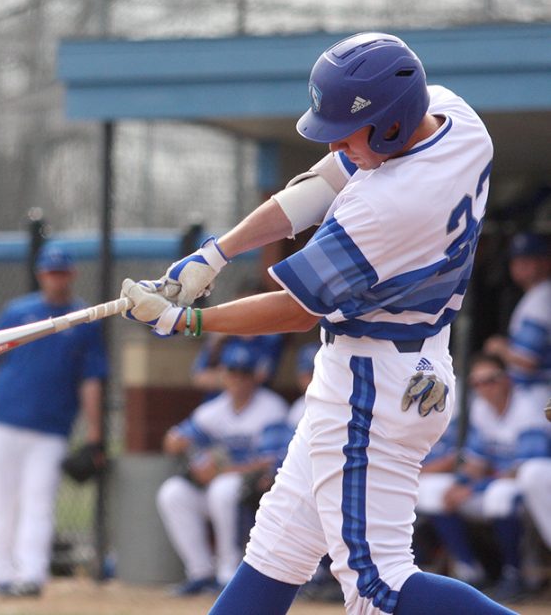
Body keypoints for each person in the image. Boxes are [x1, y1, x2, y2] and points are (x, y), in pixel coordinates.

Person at [119, 32, 518, 614]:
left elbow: (295, 307)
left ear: (389, 126)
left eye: (347, 132)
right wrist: (216, 254)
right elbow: (321, 182)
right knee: (278, 548)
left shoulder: (385, 206)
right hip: (408, 363)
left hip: (371, 381)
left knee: (378, 584)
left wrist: (187, 322)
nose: (336, 143)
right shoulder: (457, 118)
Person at [0, 244, 108, 597]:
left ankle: (32, 574)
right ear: (41, 274)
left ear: (71, 275)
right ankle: (1, 572)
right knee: (1, 499)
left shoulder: (83, 319)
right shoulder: (17, 312)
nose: (55, 278)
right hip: (4, 420)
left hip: (51, 428)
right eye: (49, 272)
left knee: (38, 501)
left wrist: (95, 432)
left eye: (61, 272)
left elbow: (91, 380)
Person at [156, 338, 291, 596]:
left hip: (255, 494)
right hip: (221, 487)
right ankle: (200, 572)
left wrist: (218, 471)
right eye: (233, 372)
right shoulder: (213, 410)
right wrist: (181, 443)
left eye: (245, 373)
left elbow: (270, 461)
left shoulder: (271, 407)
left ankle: (227, 573)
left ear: (257, 376)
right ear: (223, 375)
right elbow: (173, 442)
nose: (238, 380)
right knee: (172, 492)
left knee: (222, 488)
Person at [415, 353, 550, 601]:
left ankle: (515, 574)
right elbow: (477, 460)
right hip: (494, 481)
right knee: (436, 492)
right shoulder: (481, 406)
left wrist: (475, 487)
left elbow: (522, 467)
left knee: (499, 496)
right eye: (477, 382)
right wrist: (461, 484)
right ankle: (471, 571)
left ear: (506, 379)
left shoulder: (527, 405)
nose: (484, 388)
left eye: (490, 380)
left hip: (530, 480)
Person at [484, 232, 551, 391]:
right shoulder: (535, 295)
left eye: (527, 260)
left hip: (537, 391)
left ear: (546, 262)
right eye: (516, 260)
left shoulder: (542, 298)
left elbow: (528, 360)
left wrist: (499, 348)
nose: (520, 266)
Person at [286, 342, 320, 427]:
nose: (314, 379)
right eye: (310, 374)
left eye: (318, 373)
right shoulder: (299, 409)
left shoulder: (347, 401)